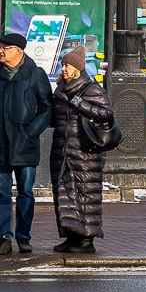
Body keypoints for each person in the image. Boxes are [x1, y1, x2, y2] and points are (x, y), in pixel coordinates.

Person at [50, 46, 112, 253]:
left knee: (85, 194)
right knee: (66, 194)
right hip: (62, 152)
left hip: (84, 153)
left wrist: (79, 103)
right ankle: (71, 236)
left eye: (67, 65)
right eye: (63, 64)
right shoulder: (61, 89)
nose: (64, 68)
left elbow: (106, 113)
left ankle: (86, 240)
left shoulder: (90, 89)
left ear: (77, 67)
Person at [0, 32, 52, 254]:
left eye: (5, 48)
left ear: (18, 51)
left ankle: (23, 236)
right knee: (1, 193)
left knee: (25, 192)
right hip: (1, 143)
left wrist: (31, 132)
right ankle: (3, 236)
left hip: (26, 143)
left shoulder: (35, 74)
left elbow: (47, 107)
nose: (0, 51)